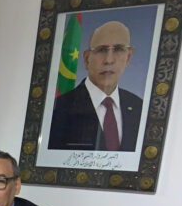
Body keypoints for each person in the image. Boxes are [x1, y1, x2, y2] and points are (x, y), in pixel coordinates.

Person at [48, 20, 143, 152]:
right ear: (87, 59)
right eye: (101, 50)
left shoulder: (139, 108)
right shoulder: (58, 109)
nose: (109, 60)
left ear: (128, 56)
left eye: (118, 49)